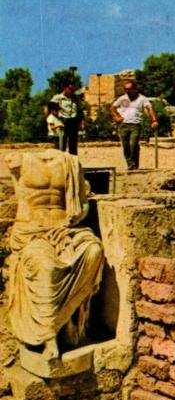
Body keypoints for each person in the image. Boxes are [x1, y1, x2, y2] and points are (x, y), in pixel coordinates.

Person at [5, 150, 104, 359]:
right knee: (46, 267)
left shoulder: (71, 163)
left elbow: (83, 203)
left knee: (93, 251)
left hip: (65, 229)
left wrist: (78, 215)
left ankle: (63, 319)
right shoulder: (18, 160)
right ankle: (49, 335)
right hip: (31, 232)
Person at [110, 80, 158, 170]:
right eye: (125, 89)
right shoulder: (122, 98)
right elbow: (113, 108)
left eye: (129, 89)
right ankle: (130, 164)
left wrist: (154, 120)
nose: (127, 91)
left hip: (135, 125)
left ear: (135, 89)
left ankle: (134, 163)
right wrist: (116, 117)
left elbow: (149, 109)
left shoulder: (142, 99)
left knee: (133, 144)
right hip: (123, 125)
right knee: (126, 146)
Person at [49, 82, 84, 155]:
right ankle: (62, 162)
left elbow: (80, 110)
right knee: (62, 143)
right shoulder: (58, 97)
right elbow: (49, 107)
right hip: (63, 122)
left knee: (73, 144)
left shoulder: (75, 98)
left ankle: (73, 162)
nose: (72, 91)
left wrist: (81, 122)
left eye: (73, 89)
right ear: (65, 88)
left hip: (73, 122)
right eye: (70, 89)